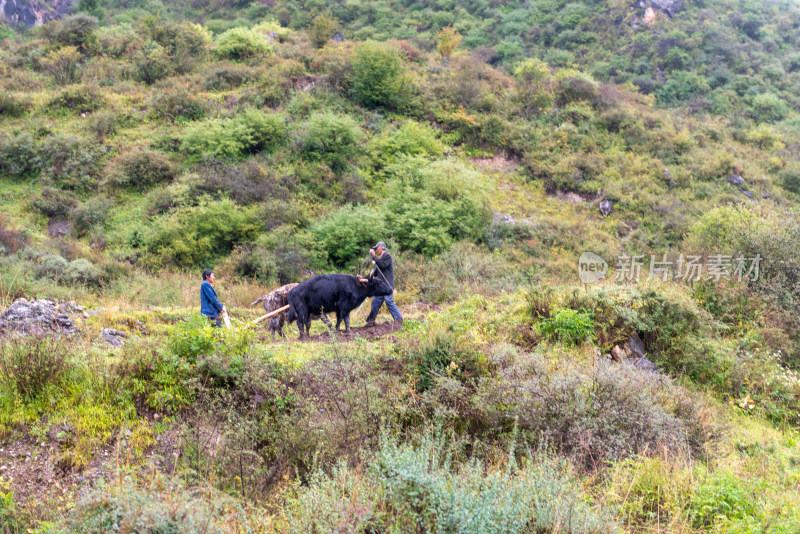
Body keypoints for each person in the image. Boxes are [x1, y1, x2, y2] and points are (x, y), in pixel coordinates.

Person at [365, 241, 403, 325]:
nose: (376, 250)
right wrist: (363, 278)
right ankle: (370, 321)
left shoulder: (387, 256)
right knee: (375, 302)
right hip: (381, 287)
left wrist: (374, 257)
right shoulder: (379, 259)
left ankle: (399, 319)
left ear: (381, 247)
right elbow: (373, 274)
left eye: (376, 248)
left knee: (388, 301)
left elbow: (382, 265)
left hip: (387, 286)